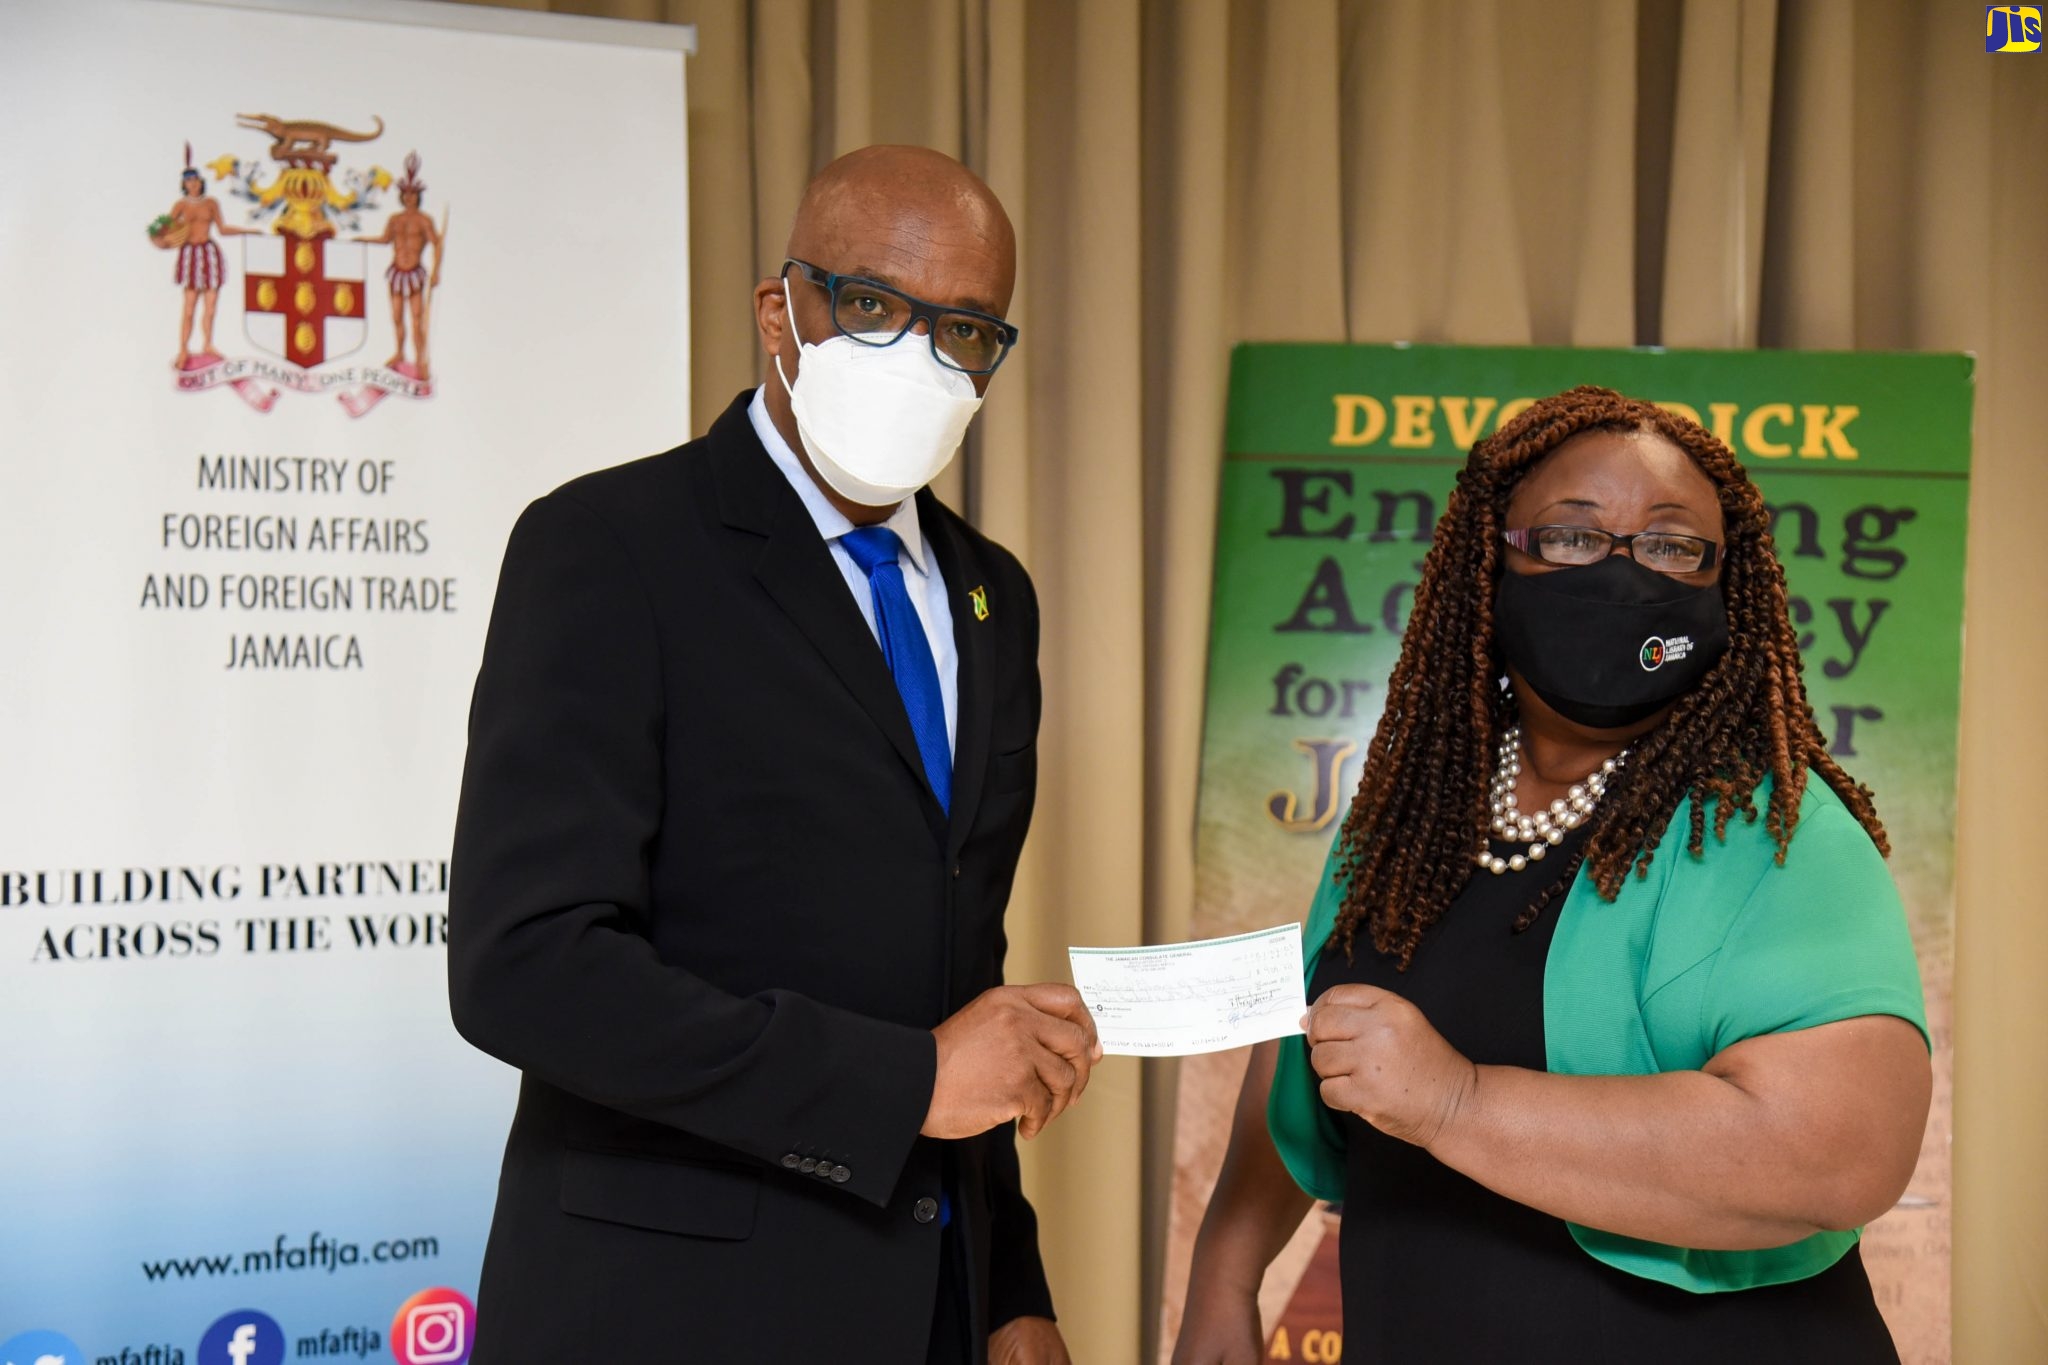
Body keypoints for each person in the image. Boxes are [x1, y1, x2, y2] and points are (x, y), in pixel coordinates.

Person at [448, 145, 1094, 1364]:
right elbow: (523, 965)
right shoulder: (609, 548)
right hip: (664, 1311)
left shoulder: (990, 596)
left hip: (931, 1309)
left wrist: (1009, 1284)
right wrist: (899, 1085)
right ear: (777, 312)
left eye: (962, 328)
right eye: (869, 306)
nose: (918, 353)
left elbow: (960, 971)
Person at [1175, 386, 1931, 1364]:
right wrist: (1225, 1278)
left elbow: (1838, 1154)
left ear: (1721, 585)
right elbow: (1317, 1034)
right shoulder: (1410, 811)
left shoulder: (1775, 829)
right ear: (1489, 564)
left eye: (1668, 544)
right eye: (1571, 538)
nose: (1622, 575)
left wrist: (1456, 1102)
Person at [352, 152, 442, 379]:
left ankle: (420, 359)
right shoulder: (395, 219)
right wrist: (364, 240)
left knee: (416, 317)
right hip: (396, 272)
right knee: (396, 316)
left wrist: (436, 271)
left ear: (418, 197)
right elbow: (385, 240)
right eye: (406, 195)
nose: (409, 199)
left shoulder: (424, 220)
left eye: (413, 195)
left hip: (414, 273)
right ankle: (400, 352)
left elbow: (436, 243)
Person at [163, 148, 255, 369]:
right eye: (189, 182)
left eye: (195, 181)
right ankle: (184, 347)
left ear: (200, 182)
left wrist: (246, 231)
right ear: (184, 184)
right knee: (189, 306)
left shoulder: (211, 203)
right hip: (190, 254)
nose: (193, 185)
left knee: (211, 305)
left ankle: (207, 343)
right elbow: (166, 229)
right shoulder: (180, 205)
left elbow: (222, 229)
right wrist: (163, 238)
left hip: (209, 253)